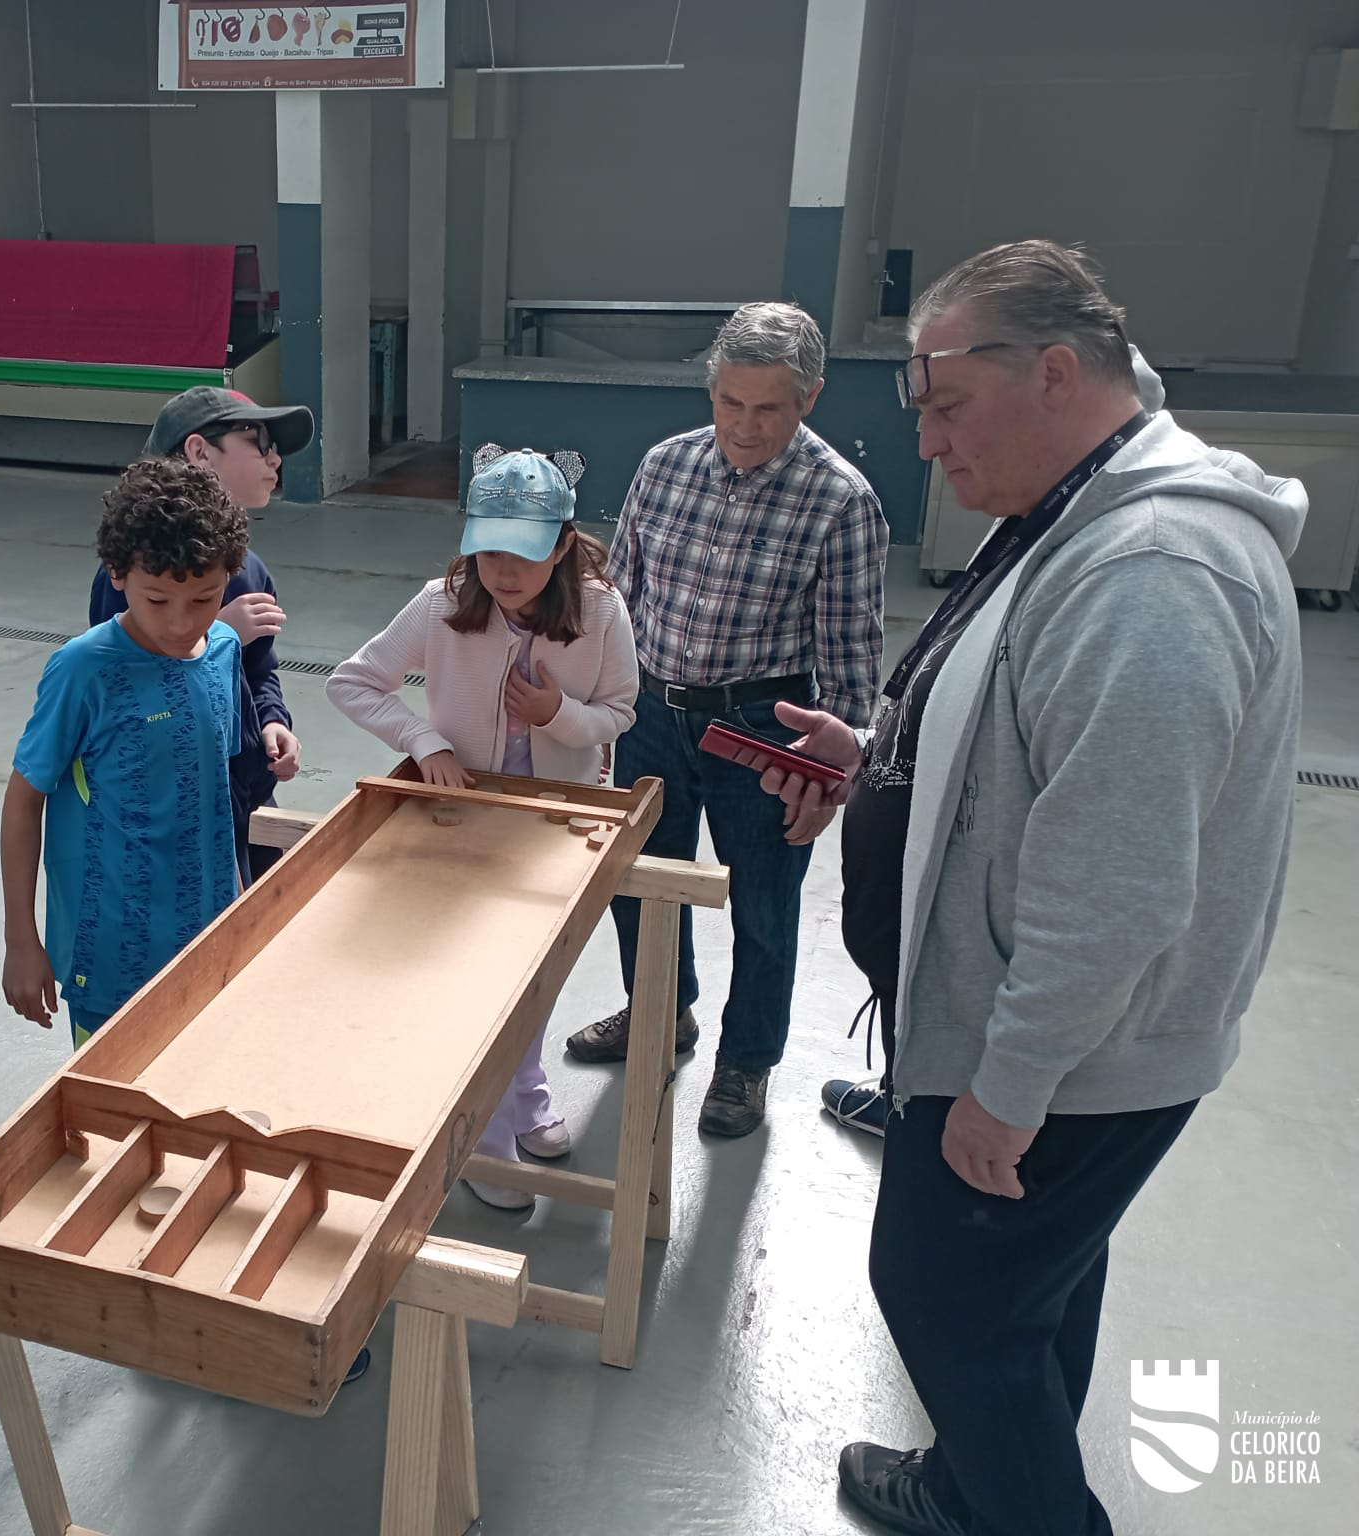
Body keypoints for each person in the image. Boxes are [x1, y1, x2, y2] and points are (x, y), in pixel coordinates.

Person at [736, 240, 1304, 1536]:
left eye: (945, 404)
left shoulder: (1153, 573)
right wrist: (876, 761)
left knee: (947, 1296)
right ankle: (964, 1489)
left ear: (1055, 373)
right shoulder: (1073, 511)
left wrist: (1011, 1085)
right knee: (1032, 1285)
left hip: (1065, 1052)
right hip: (1025, 1028)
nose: (927, 441)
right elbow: (1029, 742)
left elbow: (1119, 885)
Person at [566, 300, 890, 1140]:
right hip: (651, 711)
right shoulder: (664, 466)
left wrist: (830, 771)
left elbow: (850, 657)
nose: (744, 427)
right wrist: (599, 710)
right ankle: (661, 1010)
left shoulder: (841, 502)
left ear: (810, 397)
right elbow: (618, 598)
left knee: (764, 903)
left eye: (768, 409)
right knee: (639, 879)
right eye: (729, 403)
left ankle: (747, 1061)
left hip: (762, 728)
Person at [328, 447, 637, 1208]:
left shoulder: (601, 611)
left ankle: (524, 1092)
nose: (503, 572)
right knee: (476, 978)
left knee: (537, 968)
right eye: (489, 551)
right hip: (466, 817)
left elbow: (620, 712)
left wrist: (557, 714)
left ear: (562, 545)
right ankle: (483, 1141)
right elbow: (353, 681)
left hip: (554, 821)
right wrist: (425, 742)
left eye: (524, 554)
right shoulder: (442, 605)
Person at [4, 454, 248, 1046]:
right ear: (117, 574)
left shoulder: (224, 650)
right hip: (111, 952)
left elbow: (216, 794)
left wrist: (242, 907)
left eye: (205, 599)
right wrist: (21, 940)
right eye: (157, 600)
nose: (182, 623)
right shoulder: (83, 670)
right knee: (113, 1093)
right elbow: (22, 802)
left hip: (211, 937)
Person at [89, 387, 312, 885]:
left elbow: (260, 672)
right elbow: (119, 688)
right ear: (199, 451)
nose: (274, 458)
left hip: (245, 795)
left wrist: (273, 723)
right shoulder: (133, 577)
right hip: (168, 807)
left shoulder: (250, 570)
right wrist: (219, 633)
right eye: (258, 441)